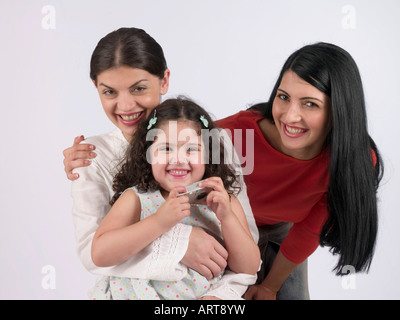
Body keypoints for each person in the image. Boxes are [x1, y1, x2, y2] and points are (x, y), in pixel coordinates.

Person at [65, 27, 258, 298]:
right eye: (109, 92)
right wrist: (176, 239)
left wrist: (217, 299)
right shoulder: (110, 174)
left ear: (164, 80)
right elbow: (95, 254)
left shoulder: (218, 176)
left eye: (139, 88)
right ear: (145, 155)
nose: (125, 105)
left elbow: (247, 266)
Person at [216, 42, 383, 300]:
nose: (290, 116)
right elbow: (168, 167)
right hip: (223, 226)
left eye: (310, 104)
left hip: (284, 231)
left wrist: (270, 287)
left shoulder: (350, 160)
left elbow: (308, 231)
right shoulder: (236, 135)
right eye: (283, 97)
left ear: (339, 110)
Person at [89, 98, 260, 300]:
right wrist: (159, 221)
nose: (178, 159)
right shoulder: (136, 197)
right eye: (166, 149)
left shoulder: (223, 201)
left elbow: (247, 268)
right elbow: (100, 254)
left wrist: (228, 218)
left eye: (191, 149)